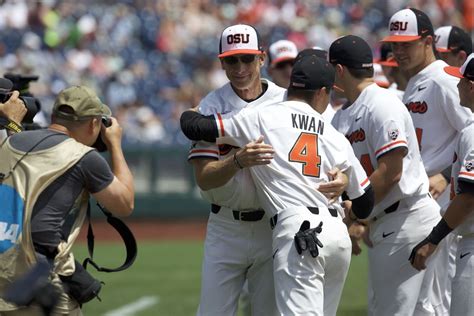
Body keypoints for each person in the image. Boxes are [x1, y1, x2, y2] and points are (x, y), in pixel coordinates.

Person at [181, 54, 374, 316]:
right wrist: (347, 190)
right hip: (337, 234)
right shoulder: (333, 134)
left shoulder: (263, 117)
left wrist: (190, 114)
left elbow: (195, 127)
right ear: (322, 93)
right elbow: (365, 202)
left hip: (298, 231)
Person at [329, 35, 442, 316]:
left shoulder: (381, 103)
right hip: (389, 220)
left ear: (339, 70)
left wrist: (356, 213)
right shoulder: (342, 115)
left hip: (407, 217)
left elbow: (391, 171)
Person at [0, 85, 134, 315]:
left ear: (53, 116)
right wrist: (114, 145)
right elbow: (124, 204)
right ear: (94, 123)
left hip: (5, 270)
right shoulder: (84, 157)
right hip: (41, 281)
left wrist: (13, 122)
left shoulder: (10, 144)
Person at [382, 8, 473, 313]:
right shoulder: (415, 82)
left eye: (406, 43)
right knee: (425, 300)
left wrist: (447, 175)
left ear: (428, 41)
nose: (399, 51)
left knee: (438, 298)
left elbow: (472, 133)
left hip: (447, 202)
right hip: (425, 199)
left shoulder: (445, 79)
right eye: (395, 44)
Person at [410, 53, 474, 316]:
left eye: (460, 81)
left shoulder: (471, 132)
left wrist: (433, 239)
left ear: (472, 86)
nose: (456, 86)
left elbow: (469, 196)